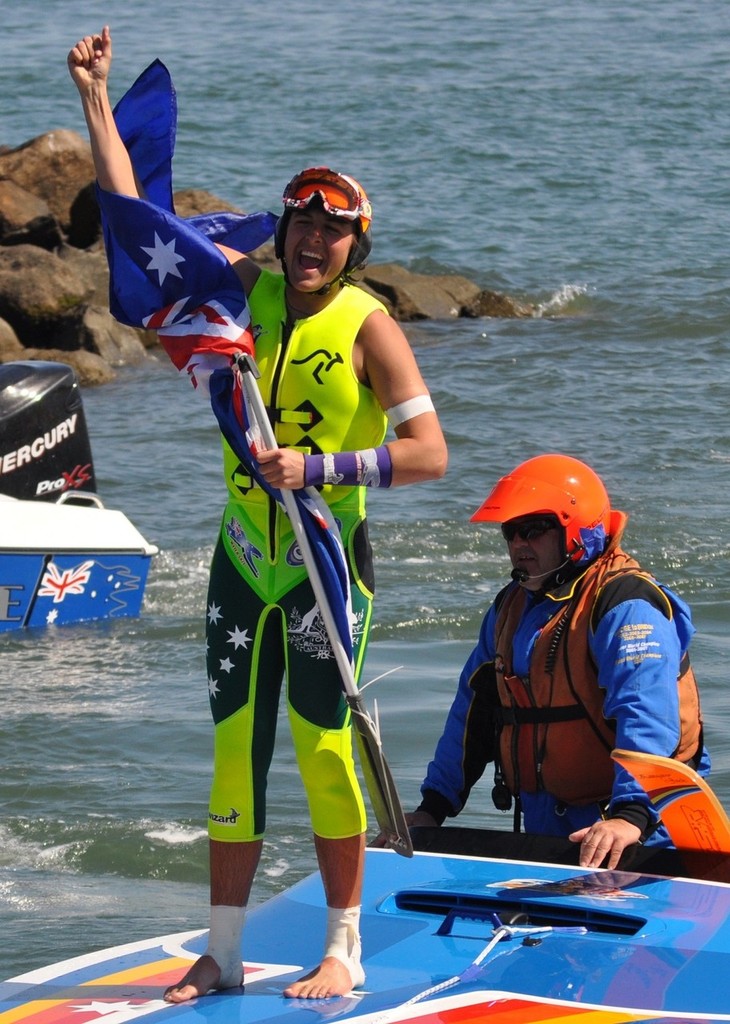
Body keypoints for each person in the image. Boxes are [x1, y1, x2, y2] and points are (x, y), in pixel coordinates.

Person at [68, 27, 447, 1003]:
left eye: (333, 232)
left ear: (356, 245)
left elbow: (427, 456)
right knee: (233, 754)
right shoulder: (248, 294)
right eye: (300, 226)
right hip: (244, 559)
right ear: (279, 232)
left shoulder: (370, 329)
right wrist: (97, 101)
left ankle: (344, 946)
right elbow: (138, 225)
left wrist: (314, 465)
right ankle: (223, 950)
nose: (313, 243)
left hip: (326, 565)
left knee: (324, 751)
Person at [392, 454, 708, 870]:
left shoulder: (627, 606)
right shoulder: (511, 608)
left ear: (577, 530)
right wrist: (432, 807)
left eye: (534, 530)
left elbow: (647, 715)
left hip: (640, 830)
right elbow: (471, 714)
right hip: (548, 832)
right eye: (511, 532)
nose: (519, 543)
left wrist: (630, 816)